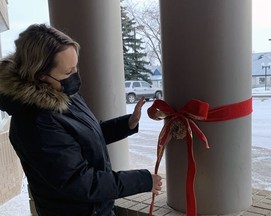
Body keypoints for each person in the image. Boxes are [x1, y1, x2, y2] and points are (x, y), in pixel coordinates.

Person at [0, 24, 162, 216]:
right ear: (40, 75)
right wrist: (142, 180)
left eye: (76, 66)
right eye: (68, 72)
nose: (75, 75)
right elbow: (78, 182)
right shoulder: (35, 123)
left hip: (96, 208)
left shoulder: (61, 93)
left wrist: (127, 124)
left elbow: (84, 136)